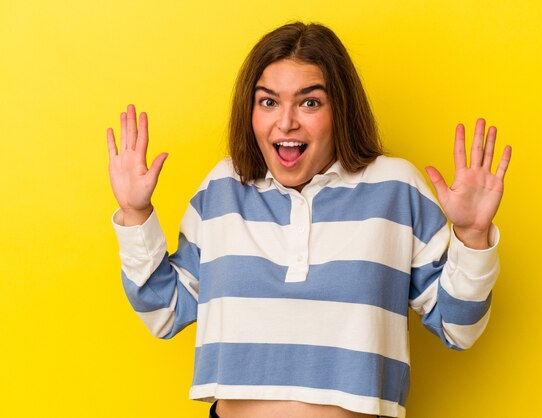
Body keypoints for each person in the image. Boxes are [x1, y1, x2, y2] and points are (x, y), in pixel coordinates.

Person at [107, 22, 511, 418]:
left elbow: (459, 329)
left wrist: (472, 236)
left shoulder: (394, 187)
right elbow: (165, 312)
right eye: (268, 102)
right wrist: (135, 214)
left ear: (341, 110)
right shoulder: (223, 188)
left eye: (310, 102)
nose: (286, 122)